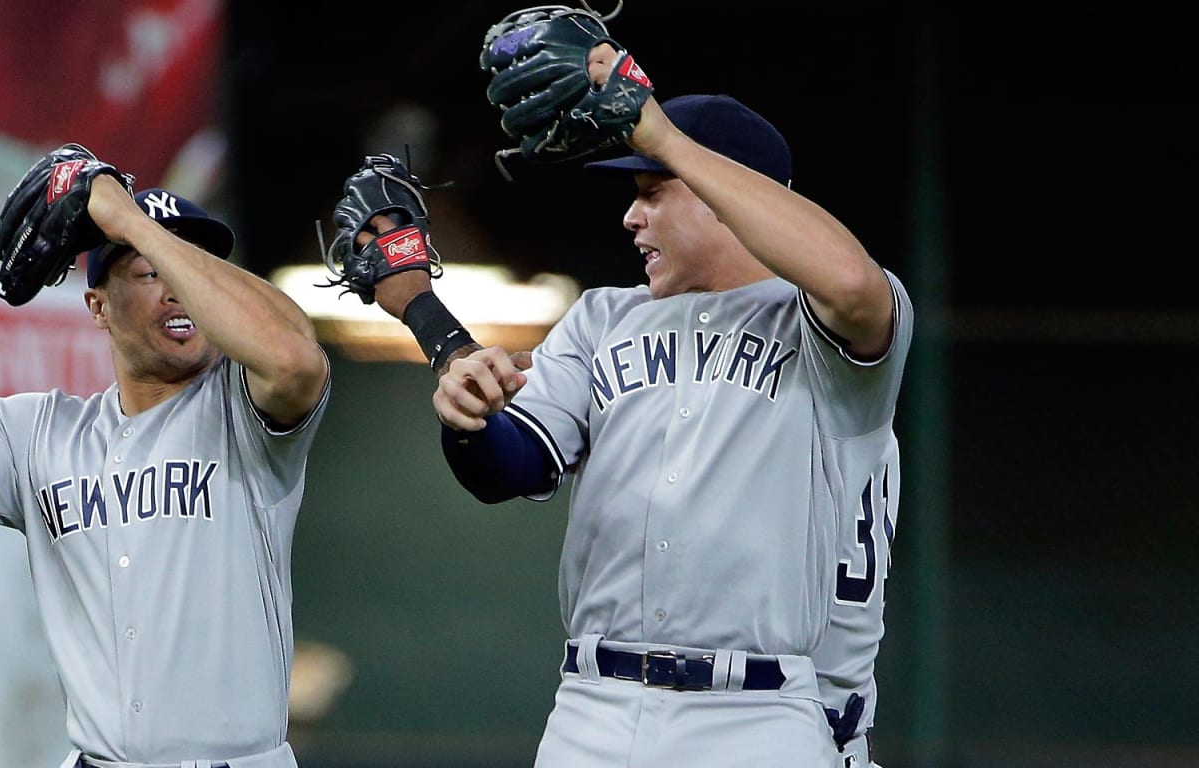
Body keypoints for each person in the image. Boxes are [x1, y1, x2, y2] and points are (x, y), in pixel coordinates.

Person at [350, 40, 911, 765]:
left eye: (650, 192)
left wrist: (664, 137)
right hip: (596, 707)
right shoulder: (604, 318)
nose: (629, 219)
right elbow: (508, 466)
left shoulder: (821, 323)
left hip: (759, 711)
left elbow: (855, 285)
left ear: (722, 193)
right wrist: (464, 406)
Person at [0, 171, 331, 768]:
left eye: (191, 270)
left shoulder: (242, 412)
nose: (179, 289)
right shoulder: (38, 435)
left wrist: (129, 223)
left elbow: (295, 359)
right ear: (97, 306)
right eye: (151, 272)